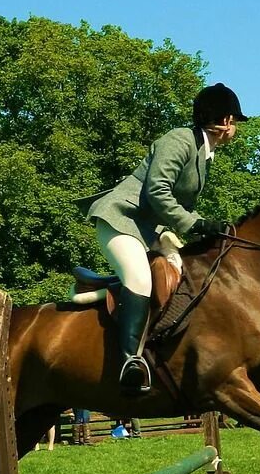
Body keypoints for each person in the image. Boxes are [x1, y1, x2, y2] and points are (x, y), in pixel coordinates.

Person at [84, 82, 248, 393]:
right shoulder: (180, 140)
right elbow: (156, 191)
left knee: (188, 273)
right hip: (121, 219)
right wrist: (196, 223)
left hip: (149, 229)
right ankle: (129, 362)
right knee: (140, 278)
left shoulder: (203, 152)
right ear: (225, 122)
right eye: (235, 121)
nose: (236, 128)